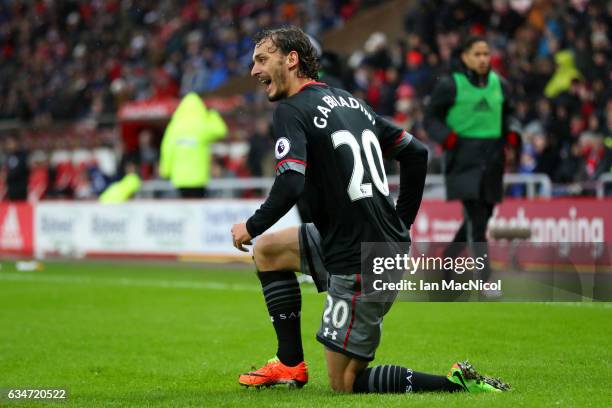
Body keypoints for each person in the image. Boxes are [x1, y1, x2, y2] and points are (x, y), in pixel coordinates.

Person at [231, 27, 509, 394]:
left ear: (292, 60)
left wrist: (251, 225)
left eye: (262, 59)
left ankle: (455, 383)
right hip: (357, 240)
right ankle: (289, 363)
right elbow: (416, 152)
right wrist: (402, 222)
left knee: (344, 383)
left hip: (361, 260)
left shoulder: (291, 110)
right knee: (268, 251)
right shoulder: (350, 103)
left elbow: (290, 182)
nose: (254, 70)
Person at [425, 35, 520, 286]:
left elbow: (510, 114)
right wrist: (447, 138)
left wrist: (512, 131)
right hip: (462, 159)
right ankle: (485, 279)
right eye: (477, 54)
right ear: (465, 57)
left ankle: (448, 257)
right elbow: (431, 118)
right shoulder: (450, 85)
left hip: (492, 159)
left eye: (486, 54)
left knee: (480, 216)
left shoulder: (501, 84)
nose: (482, 59)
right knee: (477, 220)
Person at [159, 92, 227, 198]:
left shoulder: (174, 126)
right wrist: (212, 114)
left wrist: (165, 171)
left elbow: (166, 149)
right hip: (199, 178)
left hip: (179, 178)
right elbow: (221, 130)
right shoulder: (202, 125)